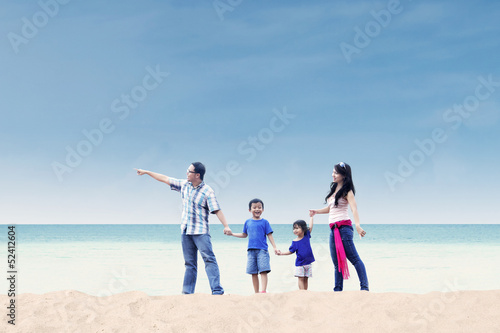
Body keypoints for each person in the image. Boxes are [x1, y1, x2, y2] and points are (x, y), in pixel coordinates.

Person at [135, 162, 232, 295]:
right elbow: (164, 178)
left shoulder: (207, 191)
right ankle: (187, 293)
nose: (186, 173)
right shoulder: (184, 185)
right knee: (189, 264)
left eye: (189, 171)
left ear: (197, 175)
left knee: (209, 259)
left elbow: (217, 210)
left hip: (201, 232)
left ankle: (216, 291)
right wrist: (146, 172)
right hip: (186, 231)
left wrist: (226, 226)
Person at [309, 162, 369, 291]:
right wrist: (317, 212)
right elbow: (331, 208)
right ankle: (337, 290)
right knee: (337, 263)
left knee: (354, 259)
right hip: (333, 230)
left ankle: (364, 288)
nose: (333, 175)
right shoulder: (334, 189)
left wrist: (357, 225)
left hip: (344, 229)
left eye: (336, 173)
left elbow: (354, 209)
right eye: (333, 172)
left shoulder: (347, 191)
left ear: (343, 175)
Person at [230, 198, 278, 293]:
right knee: (253, 272)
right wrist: (232, 234)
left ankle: (263, 291)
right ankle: (256, 292)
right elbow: (244, 235)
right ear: (250, 210)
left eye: (259, 207)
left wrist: (275, 247)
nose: (257, 209)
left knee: (263, 270)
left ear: (263, 210)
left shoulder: (265, 222)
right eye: (254, 207)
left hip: (262, 250)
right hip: (251, 251)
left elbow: (269, 235)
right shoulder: (248, 222)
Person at [278, 216, 315, 290]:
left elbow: (310, 226)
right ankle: (301, 292)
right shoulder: (294, 242)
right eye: (294, 228)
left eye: (297, 228)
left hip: (308, 263)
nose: (295, 230)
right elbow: (290, 251)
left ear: (303, 229)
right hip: (300, 263)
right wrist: (281, 253)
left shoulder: (306, 235)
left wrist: (311, 217)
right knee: (300, 278)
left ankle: (305, 291)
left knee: (306, 278)